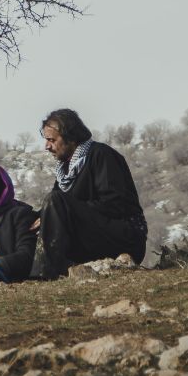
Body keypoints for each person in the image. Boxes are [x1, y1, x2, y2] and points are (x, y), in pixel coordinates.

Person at [32, 109, 147, 280]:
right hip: (92, 236)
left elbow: (115, 204)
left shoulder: (101, 155)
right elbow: (60, 208)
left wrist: (67, 212)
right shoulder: (66, 170)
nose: (47, 146)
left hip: (124, 236)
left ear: (70, 137)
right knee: (24, 215)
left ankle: (44, 274)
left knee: (55, 200)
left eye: (52, 140)